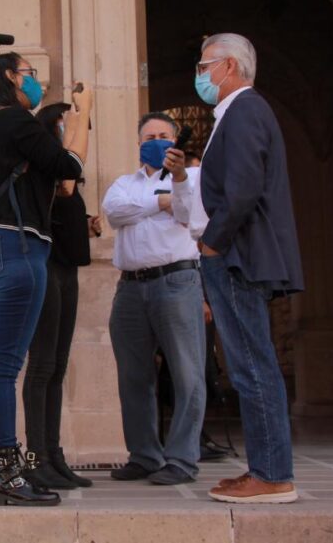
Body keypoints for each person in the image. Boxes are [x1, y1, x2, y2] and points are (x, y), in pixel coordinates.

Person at [0, 53, 92, 506]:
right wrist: (84, 114)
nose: (35, 83)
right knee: (3, 368)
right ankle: (3, 474)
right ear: (11, 80)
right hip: (13, 249)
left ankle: (3, 469)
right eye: (30, 75)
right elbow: (69, 168)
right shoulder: (17, 122)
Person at [194, 33, 304, 503]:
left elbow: (242, 190)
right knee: (248, 366)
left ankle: (273, 474)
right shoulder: (237, 113)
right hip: (235, 253)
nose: (200, 75)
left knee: (253, 367)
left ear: (230, 68)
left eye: (205, 66)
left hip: (237, 255)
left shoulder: (244, 110)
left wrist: (213, 244)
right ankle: (264, 466)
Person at [102, 112, 206, 486]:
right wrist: (157, 203)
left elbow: (187, 213)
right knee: (134, 375)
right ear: (139, 142)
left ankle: (181, 459)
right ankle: (144, 455)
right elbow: (114, 213)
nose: (157, 139)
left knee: (186, 373)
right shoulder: (122, 183)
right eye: (150, 135)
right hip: (130, 286)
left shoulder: (192, 177)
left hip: (175, 280)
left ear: (175, 141)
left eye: (164, 134)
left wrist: (174, 184)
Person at [21, 102, 101, 490]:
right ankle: (36, 458)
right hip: (44, 265)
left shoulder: (55, 162)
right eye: (61, 126)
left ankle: (53, 456)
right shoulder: (45, 160)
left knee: (56, 366)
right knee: (42, 365)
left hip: (65, 265)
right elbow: (67, 181)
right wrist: (80, 114)